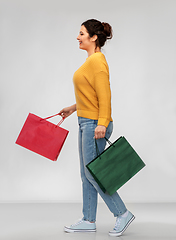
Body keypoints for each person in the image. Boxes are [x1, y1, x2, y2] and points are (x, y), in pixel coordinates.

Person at [59, 19, 135, 237]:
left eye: (81, 33)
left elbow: (105, 95)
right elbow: (90, 94)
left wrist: (102, 123)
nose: (77, 37)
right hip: (85, 120)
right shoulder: (90, 61)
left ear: (93, 37)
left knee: (94, 173)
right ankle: (88, 220)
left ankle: (122, 213)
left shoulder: (97, 61)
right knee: (87, 174)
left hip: (95, 124)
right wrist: (73, 108)